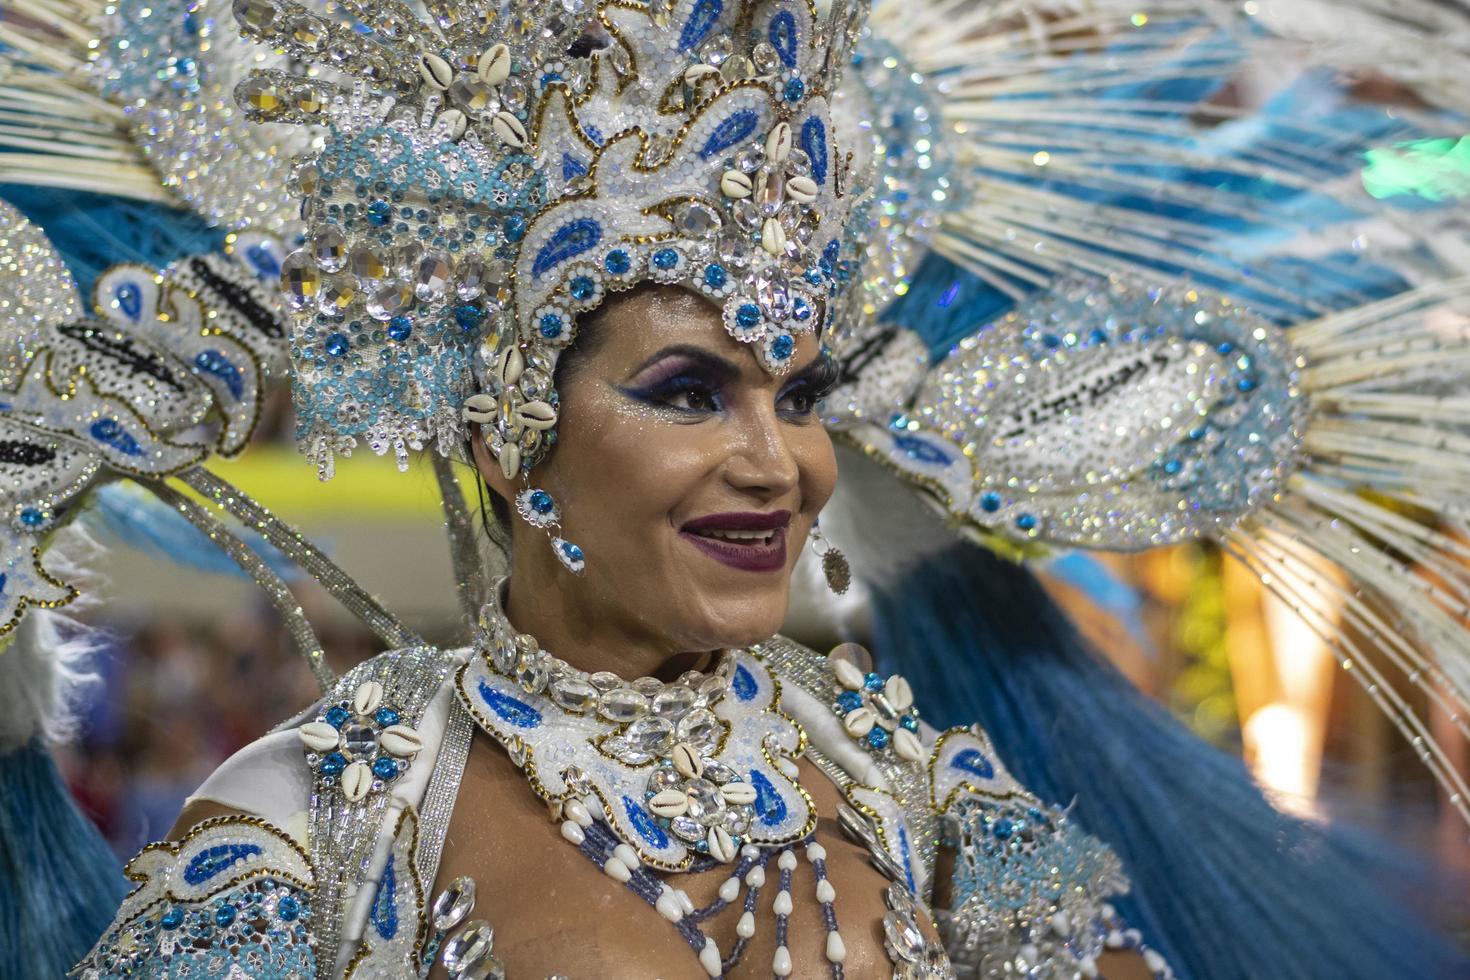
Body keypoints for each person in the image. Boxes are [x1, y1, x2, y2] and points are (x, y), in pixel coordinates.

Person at [0, 0, 1467, 976]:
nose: (781, 460)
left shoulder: (935, 801)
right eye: (689, 391)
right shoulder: (312, 833)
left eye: (805, 393)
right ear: (514, 436)